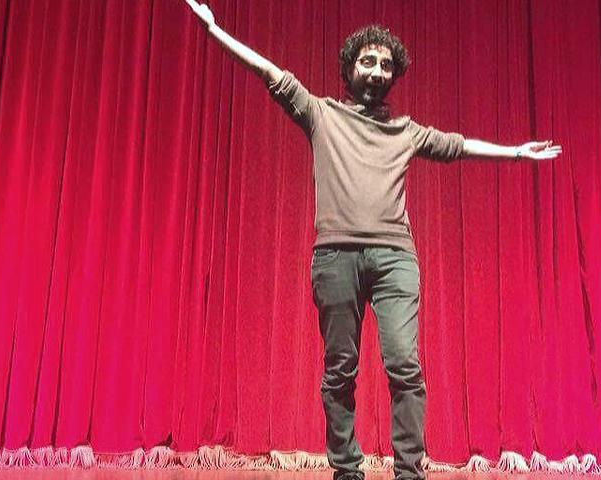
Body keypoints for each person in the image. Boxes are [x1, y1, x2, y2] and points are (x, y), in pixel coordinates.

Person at [184, 2, 562, 480]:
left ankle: (410, 472)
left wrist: (516, 153)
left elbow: (458, 145)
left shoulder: (406, 132)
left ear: (394, 75)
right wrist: (216, 30)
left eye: (386, 64)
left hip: (394, 258)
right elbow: (270, 72)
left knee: (405, 364)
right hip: (335, 257)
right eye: (368, 61)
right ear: (349, 68)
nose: (378, 70)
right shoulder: (321, 114)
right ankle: (347, 470)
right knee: (339, 370)